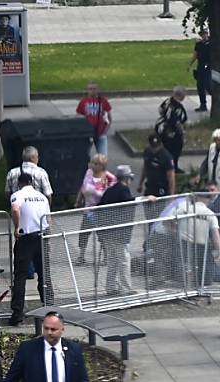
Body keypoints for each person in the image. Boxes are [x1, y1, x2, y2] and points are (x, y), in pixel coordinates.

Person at [9, 172, 52, 326]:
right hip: (41, 235)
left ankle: (17, 313)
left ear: (19, 183)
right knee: (44, 274)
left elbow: (15, 209)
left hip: (26, 237)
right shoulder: (42, 196)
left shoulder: (17, 195)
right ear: (31, 182)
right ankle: (49, 306)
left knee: (20, 276)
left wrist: (17, 227)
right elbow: (48, 219)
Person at [97, 165, 137, 296]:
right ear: (127, 179)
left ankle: (111, 287)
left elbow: (99, 206)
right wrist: (144, 198)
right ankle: (126, 288)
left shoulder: (110, 190)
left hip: (108, 231)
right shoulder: (124, 189)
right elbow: (129, 203)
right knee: (124, 259)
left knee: (113, 260)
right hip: (120, 232)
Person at [173, 187, 220, 286]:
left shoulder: (183, 209)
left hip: (183, 243)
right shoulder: (210, 214)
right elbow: (215, 235)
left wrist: (175, 231)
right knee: (205, 273)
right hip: (201, 246)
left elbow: (167, 221)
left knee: (186, 265)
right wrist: (218, 251)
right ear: (208, 199)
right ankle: (202, 284)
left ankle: (187, 283)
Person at [75, 154, 116, 265]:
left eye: (96, 163)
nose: (92, 165)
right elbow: (83, 187)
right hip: (88, 209)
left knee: (103, 235)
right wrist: (78, 200)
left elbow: (112, 191)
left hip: (101, 211)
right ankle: (81, 256)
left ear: (102, 166)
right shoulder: (88, 173)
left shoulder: (108, 177)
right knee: (83, 233)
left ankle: (106, 258)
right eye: (92, 162)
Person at [156, 87, 188, 173]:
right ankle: (173, 167)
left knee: (165, 148)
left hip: (162, 129)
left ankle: (163, 165)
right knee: (175, 150)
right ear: (181, 96)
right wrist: (182, 132)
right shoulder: (178, 108)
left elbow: (160, 109)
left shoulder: (167, 101)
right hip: (172, 133)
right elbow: (177, 122)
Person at [76, 81, 113, 156]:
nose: (92, 91)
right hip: (87, 134)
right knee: (84, 156)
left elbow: (109, 117)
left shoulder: (103, 100)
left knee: (103, 157)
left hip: (100, 133)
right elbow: (78, 118)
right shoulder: (83, 102)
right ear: (87, 90)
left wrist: (106, 130)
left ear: (97, 89)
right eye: (90, 89)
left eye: (94, 89)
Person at [188, 29, 211, 112]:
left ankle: (217, 99)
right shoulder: (199, 44)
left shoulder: (211, 44)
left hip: (208, 66)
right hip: (200, 66)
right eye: (202, 34)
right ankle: (203, 104)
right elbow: (195, 55)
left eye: (205, 34)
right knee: (200, 86)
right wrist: (189, 64)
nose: (204, 36)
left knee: (208, 84)